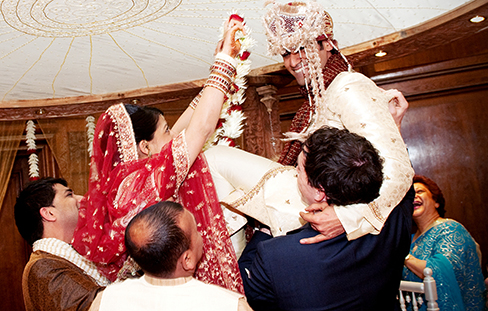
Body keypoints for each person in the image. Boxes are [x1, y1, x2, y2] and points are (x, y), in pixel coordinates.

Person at [205, 0, 414, 245]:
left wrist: (347, 217)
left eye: (301, 48)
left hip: (326, 201)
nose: (293, 62)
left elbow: (398, 169)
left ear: (328, 45)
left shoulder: (348, 86)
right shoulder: (317, 96)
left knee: (215, 157)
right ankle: (232, 264)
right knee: (218, 172)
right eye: (285, 53)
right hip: (308, 194)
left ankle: (228, 266)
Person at [71, 17, 246, 293]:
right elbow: (199, 128)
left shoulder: (124, 182)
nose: (174, 138)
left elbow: (186, 128)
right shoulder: (143, 182)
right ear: (144, 146)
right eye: (165, 130)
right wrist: (226, 59)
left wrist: (216, 71)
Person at [238, 127, 414, 310]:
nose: (295, 172)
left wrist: (265, 228)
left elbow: (243, 289)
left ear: (320, 192)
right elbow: (404, 183)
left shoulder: (275, 255)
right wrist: (346, 217)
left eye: (298, 169)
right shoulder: (395, 221)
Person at [90, 201, 252, 311]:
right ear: (187, 260)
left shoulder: (107, 300)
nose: (201, 235)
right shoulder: (227, 305)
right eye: (196, 231)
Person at [14, 177, 108, 311]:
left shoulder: (61, 258)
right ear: (49, 213)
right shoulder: (42, 267)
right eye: (69, 195)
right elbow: (96, 306)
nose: (82, 199)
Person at [403, 175, 485, 311]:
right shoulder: (409, 239)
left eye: (419, 192)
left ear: (436, 201)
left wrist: (404, 256)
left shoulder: (450, 229)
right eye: (410, 195)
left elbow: (441, 272)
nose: (414, 197)